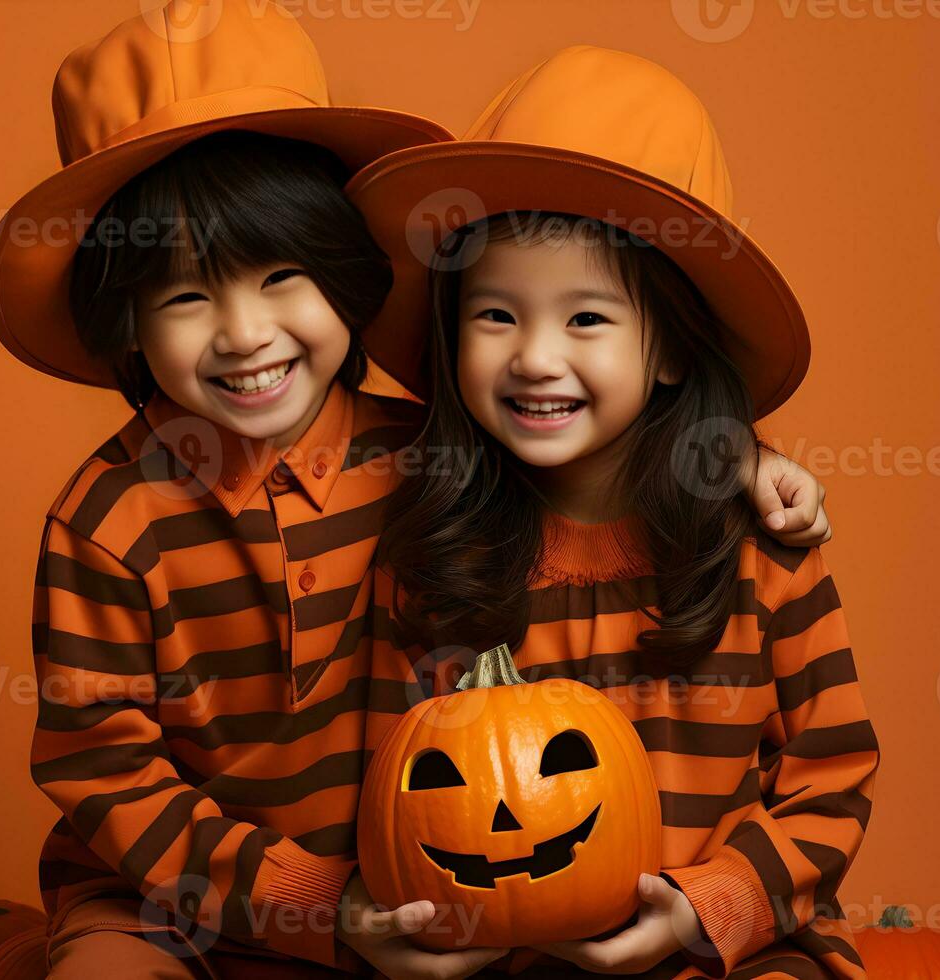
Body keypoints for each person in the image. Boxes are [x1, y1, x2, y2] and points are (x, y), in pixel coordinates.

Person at [0, 5, 838, 977]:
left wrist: (735, 458)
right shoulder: (105, 521)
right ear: (123, 320)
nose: (244, 334)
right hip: (166, 902)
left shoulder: (435, 458)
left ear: (351, 276)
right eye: (185, 295)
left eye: (283, 277)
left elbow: (596, 437)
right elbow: (103, 765)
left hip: (396, 907)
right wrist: (316, 904)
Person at [353, 47, 879, 979]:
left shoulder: (761, 543)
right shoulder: (425, 544)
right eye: (496, 316)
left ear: (671, 348)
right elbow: (402, 793)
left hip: (729, 954)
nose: (536, 359)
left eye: (587, 320)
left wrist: (701, 910)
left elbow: (831, 774)